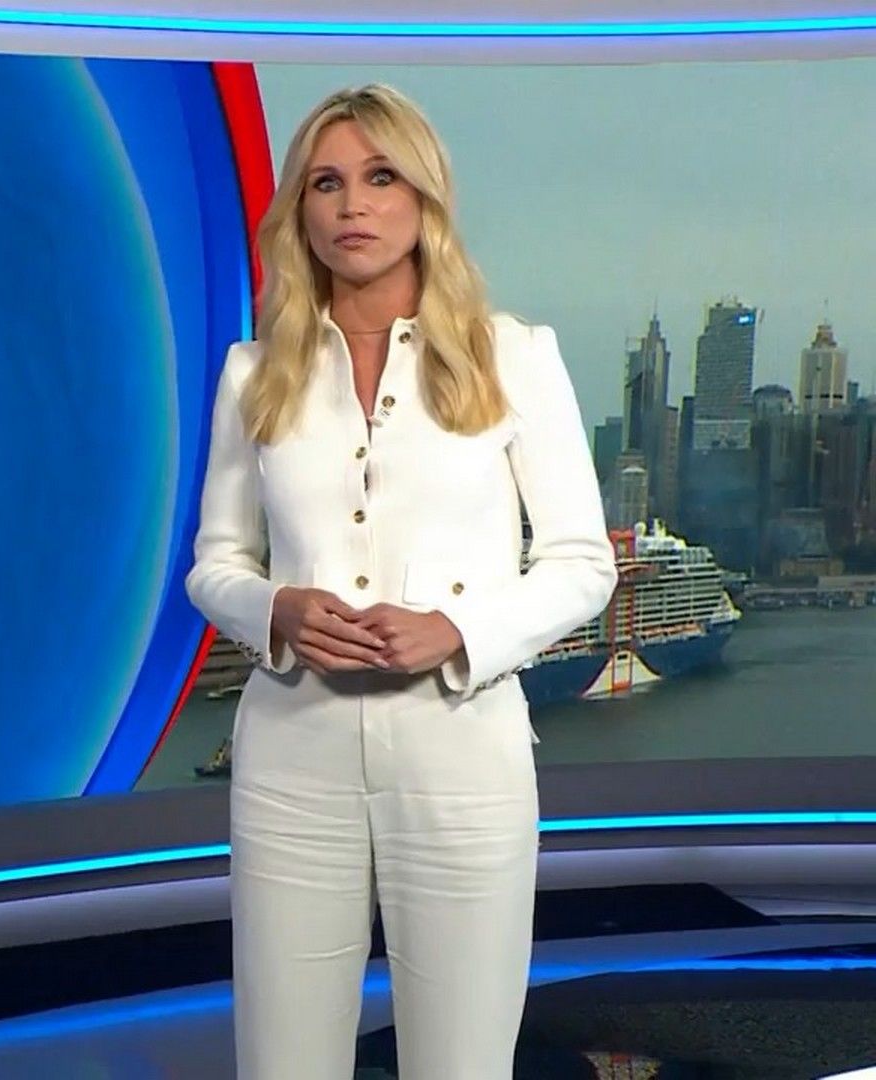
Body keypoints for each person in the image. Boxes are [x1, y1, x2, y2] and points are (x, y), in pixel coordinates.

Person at [184, 84, 618, 1079]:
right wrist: (276, 609)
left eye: (381, 178)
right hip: (292, 766)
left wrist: (457, 633)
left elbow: (581, 561)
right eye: (326, 183)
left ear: (425, 197)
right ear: (300, 211)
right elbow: (216, 564)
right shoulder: (256, 372)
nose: (353, 205)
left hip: (463, 762)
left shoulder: (514, 358)